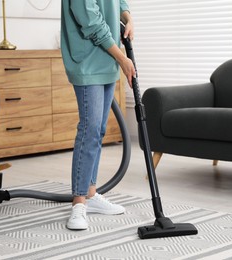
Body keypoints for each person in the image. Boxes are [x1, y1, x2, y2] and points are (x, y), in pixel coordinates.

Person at [61, 0, 135, 230]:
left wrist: (128, 17)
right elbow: (91, 21)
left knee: (99, 130)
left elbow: (120, 2)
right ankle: (78, 203)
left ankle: (91, 194)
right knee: (89, 129)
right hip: (88, 61)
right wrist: (122, 58)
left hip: (107, 59)